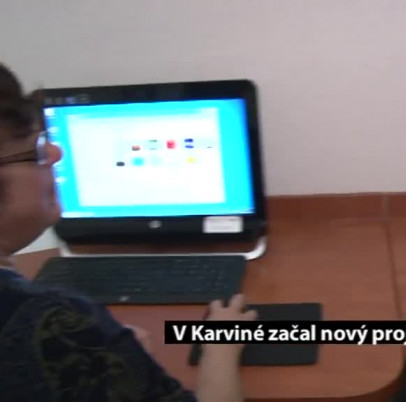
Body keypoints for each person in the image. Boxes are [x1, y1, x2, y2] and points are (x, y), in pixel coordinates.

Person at [0, 62, 256, 402]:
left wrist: (109, 362)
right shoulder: (54, 325)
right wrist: (220, 345)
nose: (56, 153)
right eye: (35, 152)